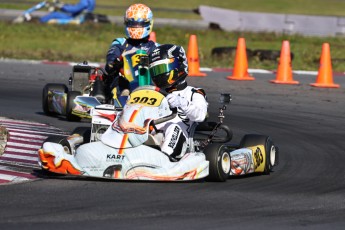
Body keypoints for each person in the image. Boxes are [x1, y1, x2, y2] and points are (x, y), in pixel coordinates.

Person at [148, 44, 208, 161]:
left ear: (178, 66)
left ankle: (163, 159)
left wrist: (181, 102)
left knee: (173, 126)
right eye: (155, 70)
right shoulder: (153, 92)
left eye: (161, 69)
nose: (159, 74)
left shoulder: (194, 93)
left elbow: (200, 115)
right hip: (152, 132)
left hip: (182, 139)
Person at [104, 3, 158, 100]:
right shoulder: (120, 43)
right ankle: (121, 99)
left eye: (140, 24)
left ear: (149, 23)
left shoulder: (155, 47)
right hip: (123, 81)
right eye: (132, 24)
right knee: (119, 82)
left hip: (149, 83)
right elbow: (111, 58)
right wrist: (114, 62)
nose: (136, 27)